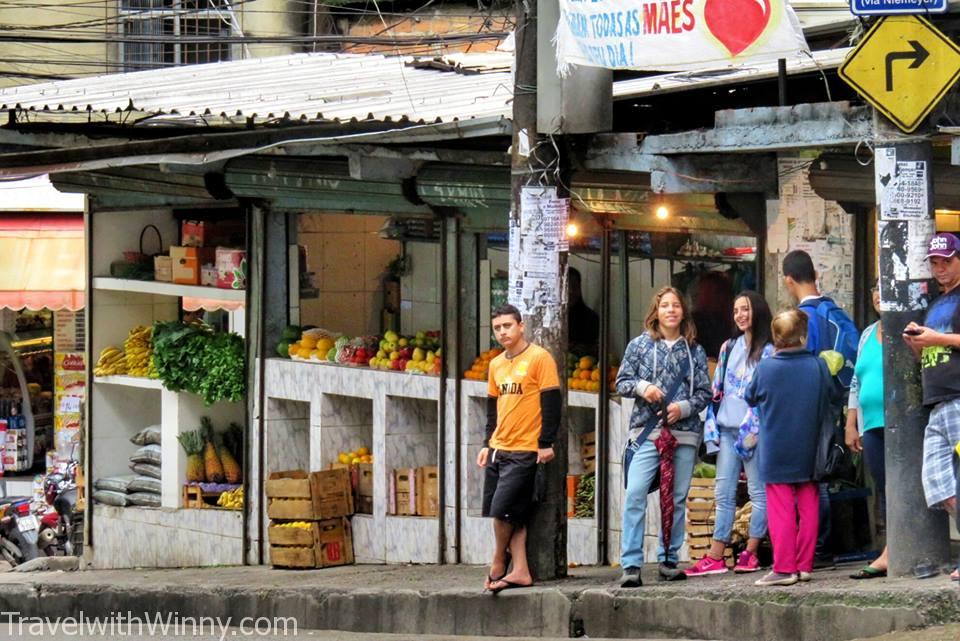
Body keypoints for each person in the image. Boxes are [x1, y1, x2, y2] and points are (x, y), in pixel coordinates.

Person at [615, 287, 711, 587]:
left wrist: (682, 408)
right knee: (635, 493)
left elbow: (705, 394)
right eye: (665, 306)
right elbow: (622, 381)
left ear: (683, 312)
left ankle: (668, 558)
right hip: (646, 431)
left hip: (684, 433)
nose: (670, 310)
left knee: (676, 497)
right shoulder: (639, 346)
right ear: (656, 312)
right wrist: (644, 388)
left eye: (676, 306)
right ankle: (631, 563)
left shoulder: (695, 351)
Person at [686, 291, 774, 577]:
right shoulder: (728, 347)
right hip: (726, 429)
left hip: (755, 432)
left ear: (758, 312)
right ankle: (715, 556)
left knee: (758, 493)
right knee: (723, 493)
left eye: (745, 309)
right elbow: (718, 388)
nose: (740, 315)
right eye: (736, 310)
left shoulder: (769, 351)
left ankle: (750, 552)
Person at [745, 309, 833, 586]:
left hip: (776, 449)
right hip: (810, 447)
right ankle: (805, 565)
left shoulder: (767, 367)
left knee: (781, 507)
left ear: (776, 339)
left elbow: (750, 396)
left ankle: (784, 568)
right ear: (803, 336)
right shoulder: (818, 366)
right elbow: (832, 394)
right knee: (809, 503)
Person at [478, 304, 561, 593]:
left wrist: (546, 443)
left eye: (507, 326)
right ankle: (521, 571)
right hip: (499, 448)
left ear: (521, 326)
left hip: (526, 450)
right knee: (514, 514)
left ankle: (498, 561)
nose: (503, 332)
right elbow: (493, 408)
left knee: (502, 512)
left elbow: (552, 403)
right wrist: (487, 445)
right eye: (497, 328)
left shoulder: (540, 358)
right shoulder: (496, 364)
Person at [782, 249, 858, 566]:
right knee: (823, 473)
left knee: (811, 480)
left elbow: (796, 367)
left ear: (788, 281)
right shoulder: (835, 313)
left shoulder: (803, 320)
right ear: (815, 275)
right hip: (838, 405)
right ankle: (823, 546)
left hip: (808, 408)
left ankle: (818, 548)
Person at [902, 233, 960, 579]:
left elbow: (943, 342)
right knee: (938, 485)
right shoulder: (937, 304)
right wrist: (916, 341)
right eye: (935, 263)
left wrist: (936, 337)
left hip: (958, 396)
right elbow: (927, 354)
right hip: (937, 402)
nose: (940, 268)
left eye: (947, 261)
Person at [846, 283, 889, 579]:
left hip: (899, 421)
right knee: (883, 488)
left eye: (884, 287)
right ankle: (890, 549)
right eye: (874, 288)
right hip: (871, 422)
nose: (877, 293)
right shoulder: (866, 334)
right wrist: (851, 423)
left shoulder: (909, 326)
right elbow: (856, 382)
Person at [568, 267, 600, 357]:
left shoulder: (591, 318)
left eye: (574, 287)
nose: (571, 291)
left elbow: (595, 350)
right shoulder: (552, 319)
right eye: (567, 286)